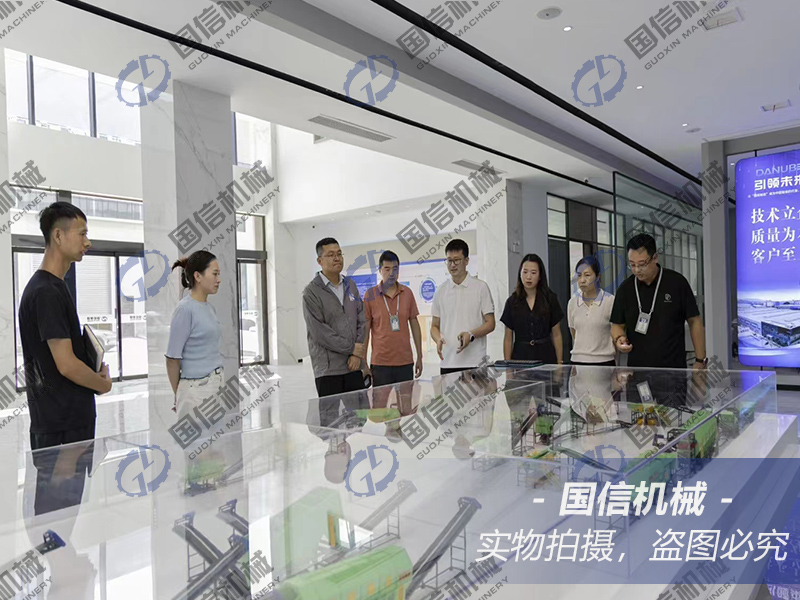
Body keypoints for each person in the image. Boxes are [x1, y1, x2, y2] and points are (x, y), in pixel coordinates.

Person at [19, 202, 112, 451]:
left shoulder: (54, 286)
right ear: (58, 236)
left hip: (66, 421)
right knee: (63, 480)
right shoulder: (46, 292)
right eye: (82, 234)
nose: (87, 242)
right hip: (61, 425)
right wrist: (102, 384)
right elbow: (67, 364)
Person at [611, 233, 708, 369]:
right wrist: (619, 339)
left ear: (655, 258)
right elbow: (617, 325)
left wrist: (700, 359)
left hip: (673, 368)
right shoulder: (625, 289)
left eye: (642, 264)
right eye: (632, 265)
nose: (637, 270)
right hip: (637, 369)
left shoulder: (677, 283)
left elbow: (694, 321)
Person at [303, 238, 367, 398]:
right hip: (328, 370)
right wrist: (351, 349)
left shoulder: (350, 285)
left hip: (353, 365)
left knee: (359, 412)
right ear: (319, 261)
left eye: (339, 254)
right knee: (330, 413)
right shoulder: (311, 292)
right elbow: (320, 332)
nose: (337, 258)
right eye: (331, 255)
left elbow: (362, 320)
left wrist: (356, 354)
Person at [166, 251, 224, 416]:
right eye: (214, 274)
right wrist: (180, 394)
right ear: (197, 276)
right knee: (197, 434)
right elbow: (172, 359)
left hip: (215, 384)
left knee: (216, 433)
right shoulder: (185, 309)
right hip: (195, 390)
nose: (218, 279)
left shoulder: (209, 308)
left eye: (218, 274)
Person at [363, 250, 423, 407]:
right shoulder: (370, 295)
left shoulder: (407, 293)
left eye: (395, 269)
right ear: (380, 270)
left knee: (406, 407)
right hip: (380, 364)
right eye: (387, 269)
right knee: (380, 409)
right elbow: (365, 331)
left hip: (405, 362)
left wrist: (420, 356)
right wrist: (363, 362)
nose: (391, 273)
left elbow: (414, 324)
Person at [430, 239, 495, 375]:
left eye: (457, 260)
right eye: (449, 261)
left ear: (466, 261)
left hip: (475, 362)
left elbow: (490, 323)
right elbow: (434, 326)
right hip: (448, 362)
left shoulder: (480, 287)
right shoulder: (441, 291)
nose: (452, 265)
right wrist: (438, 339)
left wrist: (471, 334)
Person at [500, 253, 564, 365]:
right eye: (525, 272)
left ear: (540, 276)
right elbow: (508, 338)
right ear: (520, 274)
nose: (528, 277)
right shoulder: (512, 302)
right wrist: (508, 364)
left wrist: (559, 363)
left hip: (546, 356)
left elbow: (557, 334)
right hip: (521, 357)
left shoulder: (550, 299)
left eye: (533, 273)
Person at [567, 256, 616, 366]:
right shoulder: (573, 302)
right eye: (579, 275)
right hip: (578, 361)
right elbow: (574, 332)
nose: (582, 280)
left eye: (587, 275)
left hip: (604, 361)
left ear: (598, 277)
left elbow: (615, 332)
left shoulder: (610, 301)